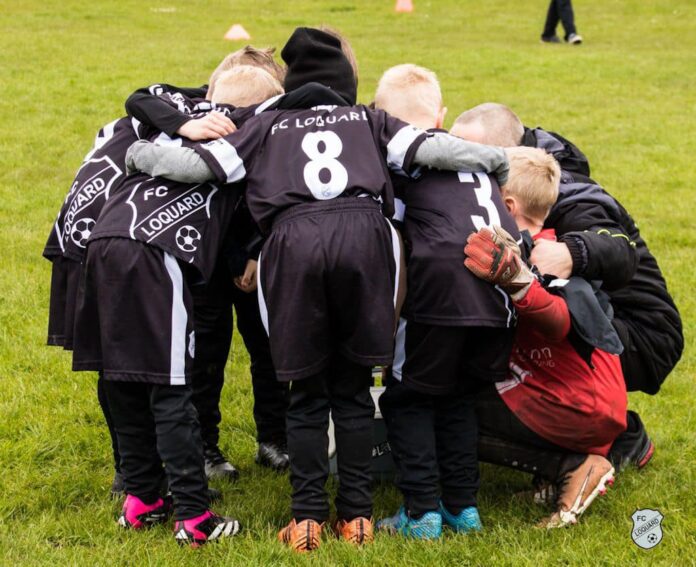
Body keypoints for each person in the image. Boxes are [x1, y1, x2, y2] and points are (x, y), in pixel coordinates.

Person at [126, 27, 511, 551]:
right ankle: (356, 517)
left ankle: (306, 516)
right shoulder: (370, 119)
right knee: (352, 388)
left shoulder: (267, 124)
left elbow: (197, 166)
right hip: (364, 240)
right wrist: (491, 159)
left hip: (294, 242)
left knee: (306, 392)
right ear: (348, 84)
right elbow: (432, 148)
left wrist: (141, 157)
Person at [70, 65, 284, 546]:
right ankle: (194, 516)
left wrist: (174, 129)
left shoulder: (171, 116)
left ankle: (142, 497)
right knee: (171, 386)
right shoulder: (247, 135)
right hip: (155, 251)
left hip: (104, 240)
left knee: (121, 375)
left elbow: (139, 94)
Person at [451, 103, 683, 471]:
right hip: (606, 325)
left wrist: (573, 251)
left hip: (641, 337)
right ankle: (598, 433)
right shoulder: (524, 175)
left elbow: (620, 251)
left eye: (471, 162)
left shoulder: (568, 194)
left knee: (464, 377)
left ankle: (588, 454)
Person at [370, 64, 518, 540]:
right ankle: (462, 507)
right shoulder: (474, 162)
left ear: (380, 116)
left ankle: (421, 513)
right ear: (441, 115)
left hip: (441, 295)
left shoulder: (400, 157)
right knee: (459, 401)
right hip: (501, 294)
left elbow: (390, 225)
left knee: (407, 398)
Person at [463, 146, 625, 528]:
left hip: (578, 404)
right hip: (585, 397)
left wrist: (518, 283)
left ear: (506, 202)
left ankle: (572, 467)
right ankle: (552, 473)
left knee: (447, 404)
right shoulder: (551, 243)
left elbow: (559, 320)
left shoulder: (542, 255)